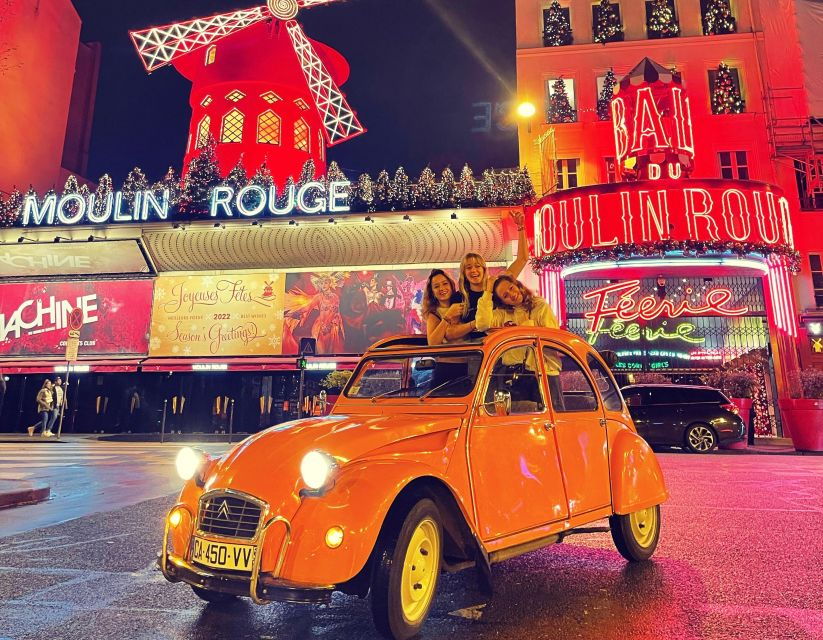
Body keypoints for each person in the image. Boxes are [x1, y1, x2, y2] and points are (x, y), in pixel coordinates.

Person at [458, 210, 530, 323]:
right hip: (472, 341)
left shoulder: (497, 285)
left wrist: (521, 227)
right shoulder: (460, 297)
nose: (473, 270)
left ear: (484, 269)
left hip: (500, 337)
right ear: (463, 272)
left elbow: (522, 259)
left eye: (477, 266)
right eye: (468, 267)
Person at [475, 274, 559, 331]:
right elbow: (482, 325)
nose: (512, 294)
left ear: (517, 285)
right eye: (505, 296)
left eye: (511, 288)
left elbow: (553, 339)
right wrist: (488, 291)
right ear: (503, 302)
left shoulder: (540, 306)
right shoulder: (503, 314)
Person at [422, 269, 473, 345]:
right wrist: (448, 316)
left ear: (451, 285)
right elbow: (432, 343)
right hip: (449, 356)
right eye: (436, 286)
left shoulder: (463, 303)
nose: (442, 288)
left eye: (445, 283)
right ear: (432, 292)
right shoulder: (434, 314)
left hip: (473, 354)